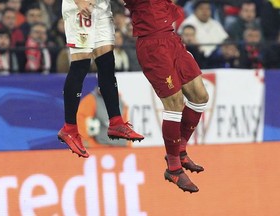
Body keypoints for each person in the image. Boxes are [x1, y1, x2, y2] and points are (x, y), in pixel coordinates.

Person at [124, 0, 209, 193]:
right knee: (174, 103)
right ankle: (174, 168)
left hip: (172, 39)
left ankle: (180, 149)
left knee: (200, 96)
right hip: (152, 45)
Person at [58, 0, 144, 158]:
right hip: (82, 5)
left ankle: (116, 122)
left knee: (107, 63)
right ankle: (69, 129)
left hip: (101, 6)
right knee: (81, 64)